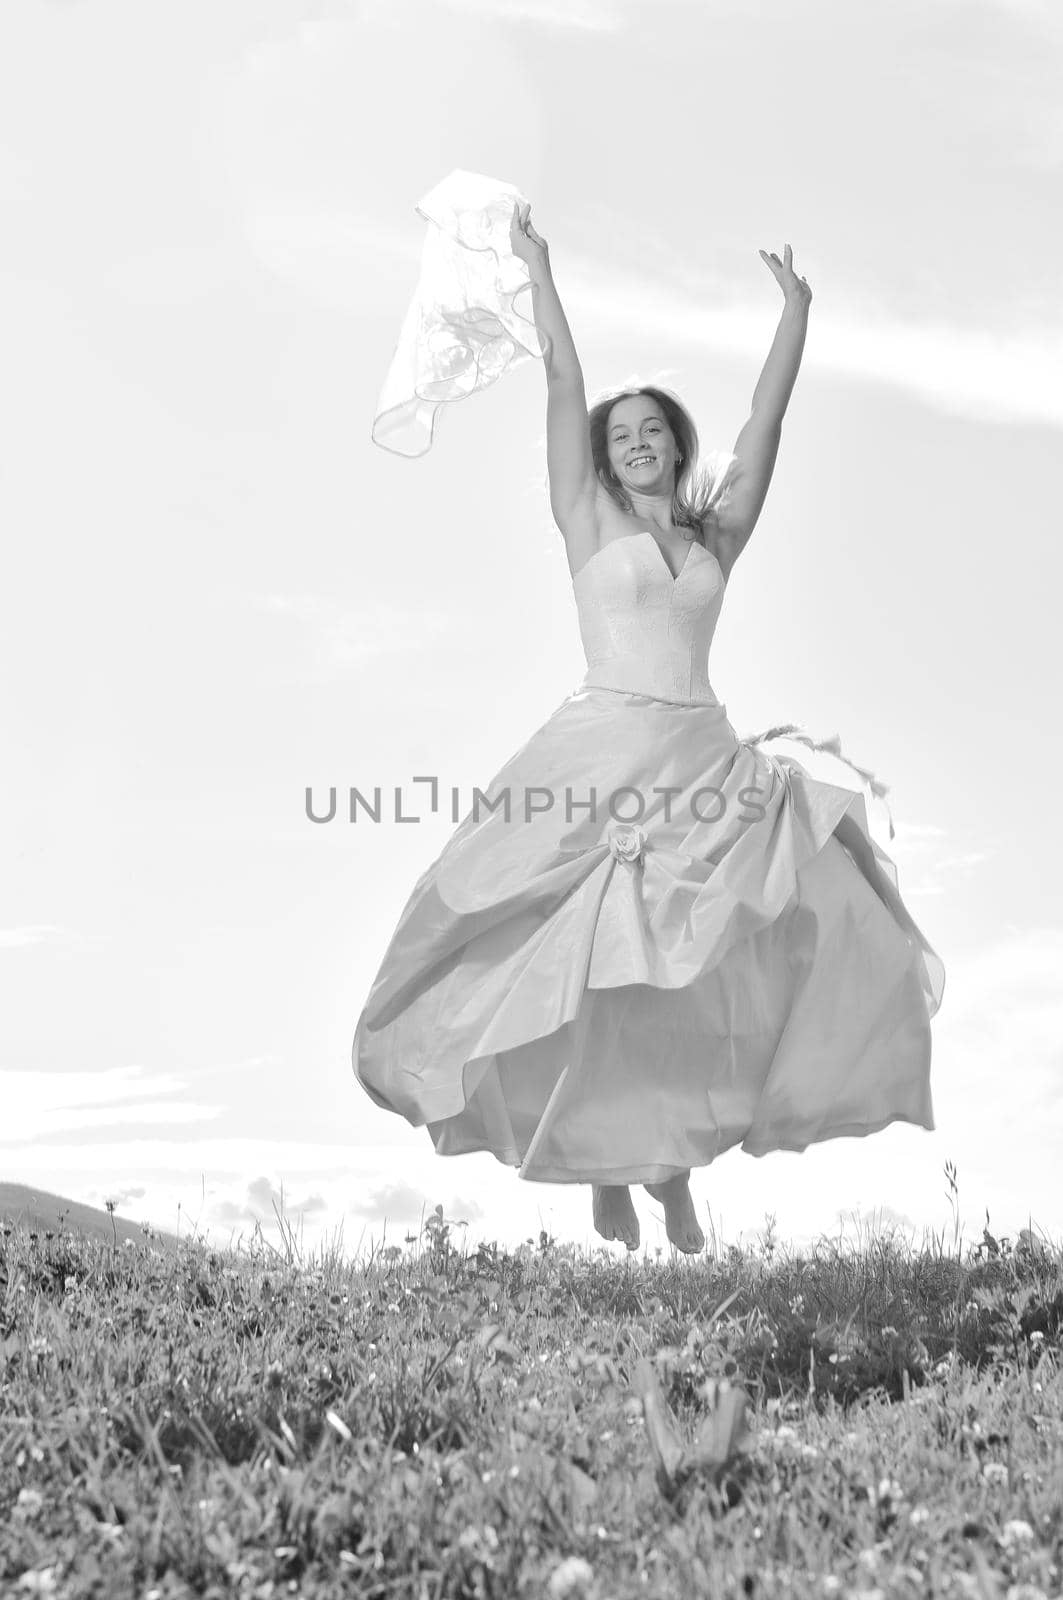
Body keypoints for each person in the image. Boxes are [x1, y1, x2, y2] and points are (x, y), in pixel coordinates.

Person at [352, 187, 944, 1256]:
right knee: (583, 956)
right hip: (600, 747)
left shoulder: (715, 536)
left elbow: (764, 429)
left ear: (673, 445)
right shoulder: (581, 518)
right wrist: (538, 269)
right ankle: (599, 1165)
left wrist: (794, 318)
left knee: (697, 965)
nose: (632, 443)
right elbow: (564, 380)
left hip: (700, 753)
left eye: (648, 432)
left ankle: (666, 1163)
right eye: (617, 436)